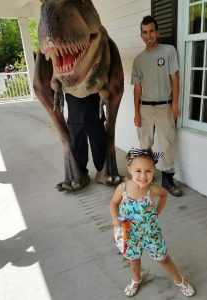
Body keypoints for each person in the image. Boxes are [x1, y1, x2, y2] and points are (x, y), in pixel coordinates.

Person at [110, 148, 195, 297]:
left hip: (151, 234)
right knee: (133, 258)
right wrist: (114, 218)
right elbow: (113, 203)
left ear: (154, 170)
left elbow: (163, 196)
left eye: (148, 171)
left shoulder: (153, 189)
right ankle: (136, 279)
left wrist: (157, 212)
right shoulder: (122, 188)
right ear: (129, 169)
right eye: (138, 171)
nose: (143, 176)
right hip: (130, 233)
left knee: (163, 258)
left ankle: (179, 280)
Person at [131, 15, 182, 197]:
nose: (148, 36)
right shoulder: (138, 60)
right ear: (141, 35)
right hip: (145, 108)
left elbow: (174, 78)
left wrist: (175, 103)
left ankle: (168, 179)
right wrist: (136, 112)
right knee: (145, 144)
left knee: (167, 142)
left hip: (164, 106)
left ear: (157, 32)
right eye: (145, 32)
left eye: (151, 31)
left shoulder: (169, 51)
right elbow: (137, 89)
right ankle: (147, 178)